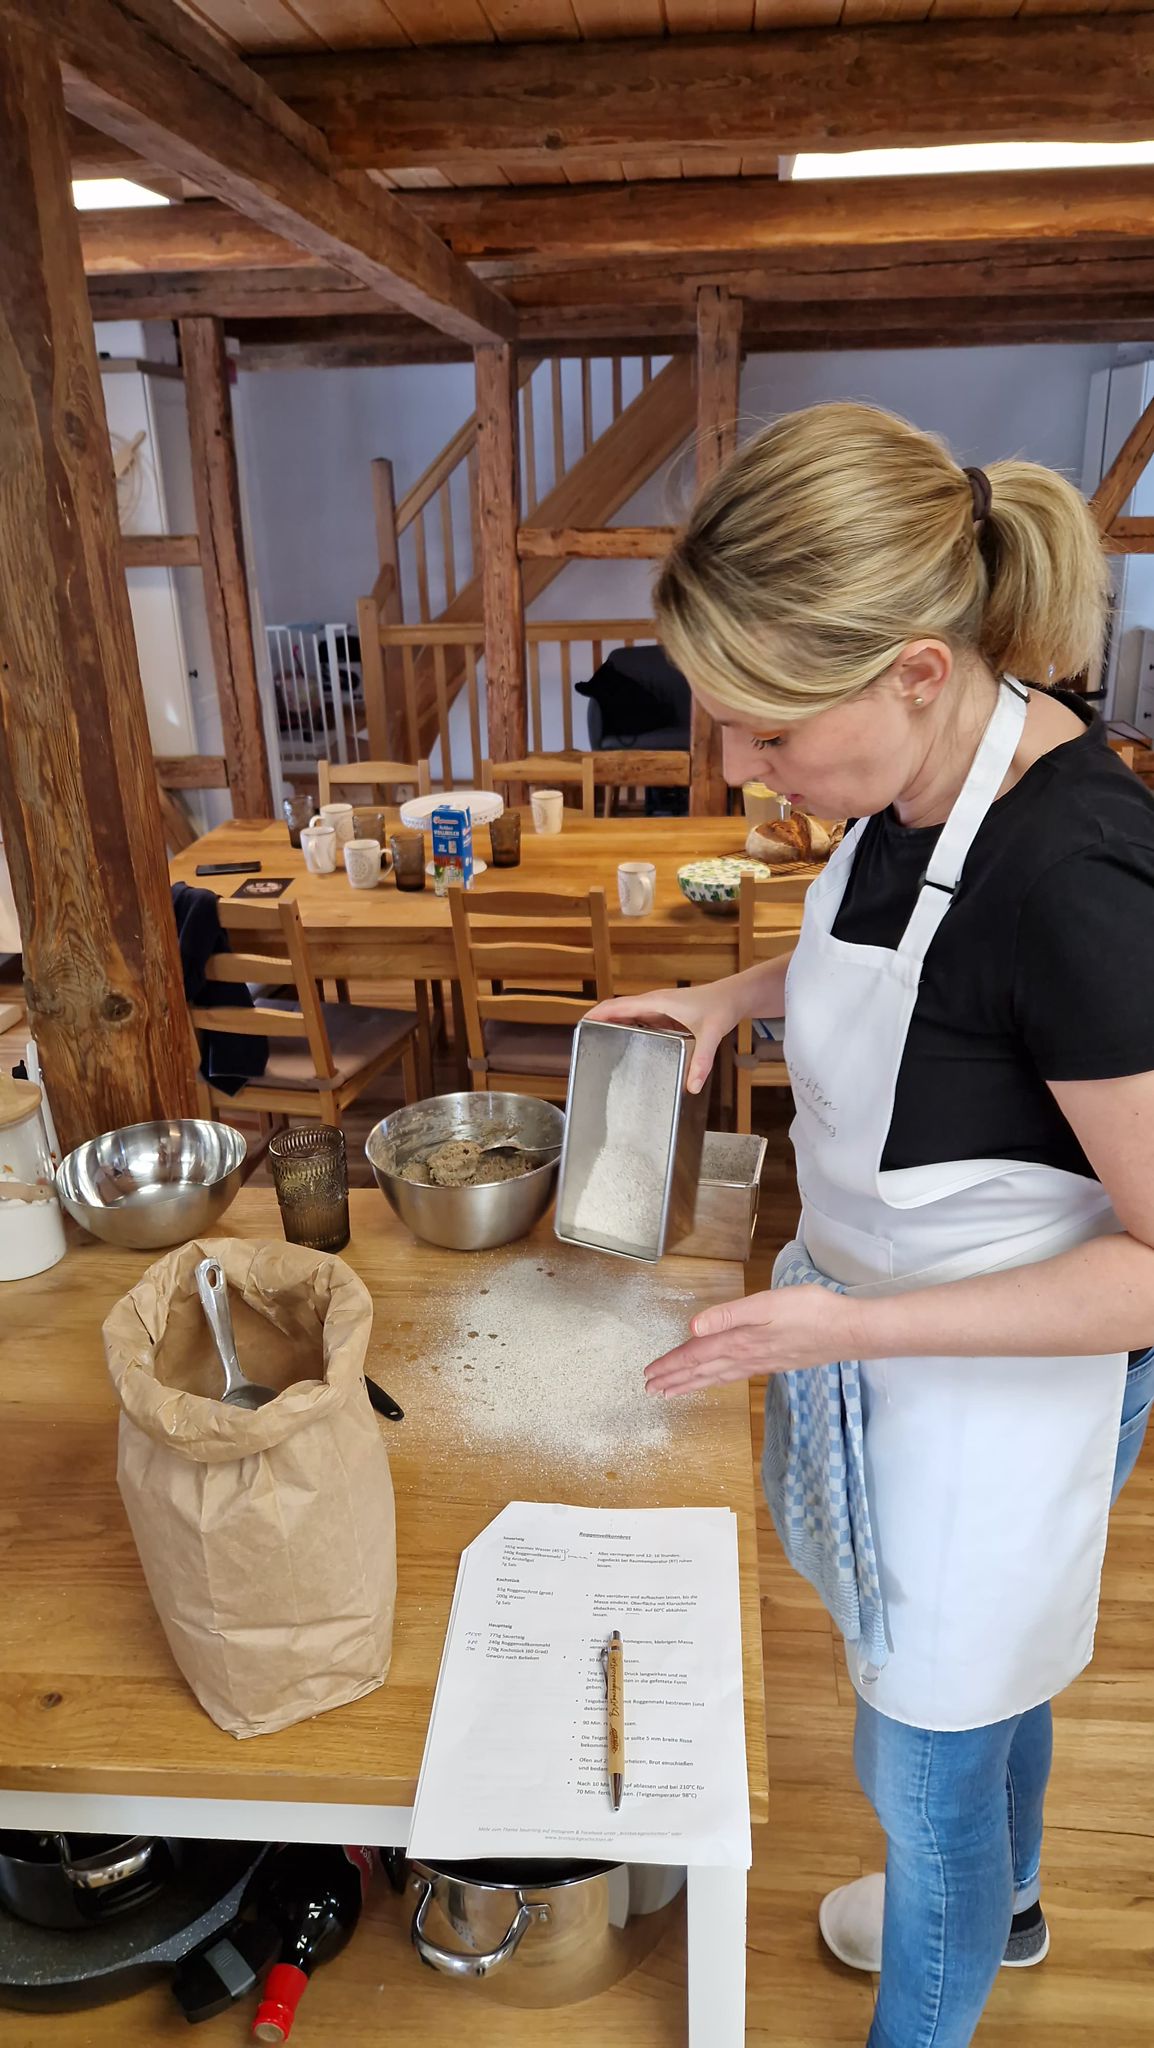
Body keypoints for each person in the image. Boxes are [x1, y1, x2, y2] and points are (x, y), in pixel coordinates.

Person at [591, 402, 1154, 2048]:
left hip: (998, 1389)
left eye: (764, 733)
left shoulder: (1074, 873)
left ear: (913, 666)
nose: (738, 770)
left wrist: (840, 1326)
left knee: (922, 1773)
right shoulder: (930, 768)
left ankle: (955, 1941)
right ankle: (1016, 1889)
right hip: (893, 1342)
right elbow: (909, 974)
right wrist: (724, 994)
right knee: (983, 1702)